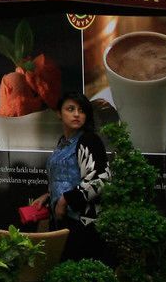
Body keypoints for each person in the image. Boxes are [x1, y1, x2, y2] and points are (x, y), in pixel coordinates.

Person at [33, 92, 109, 256]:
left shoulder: (89, 140)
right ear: (59, 113)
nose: (76, 114)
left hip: (83, 223)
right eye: (70, 109)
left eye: (81, 110)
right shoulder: (62, 142)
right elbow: (66, 176)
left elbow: (101, 180)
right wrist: (48, 195)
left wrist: (66, 199)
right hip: (61, 222)